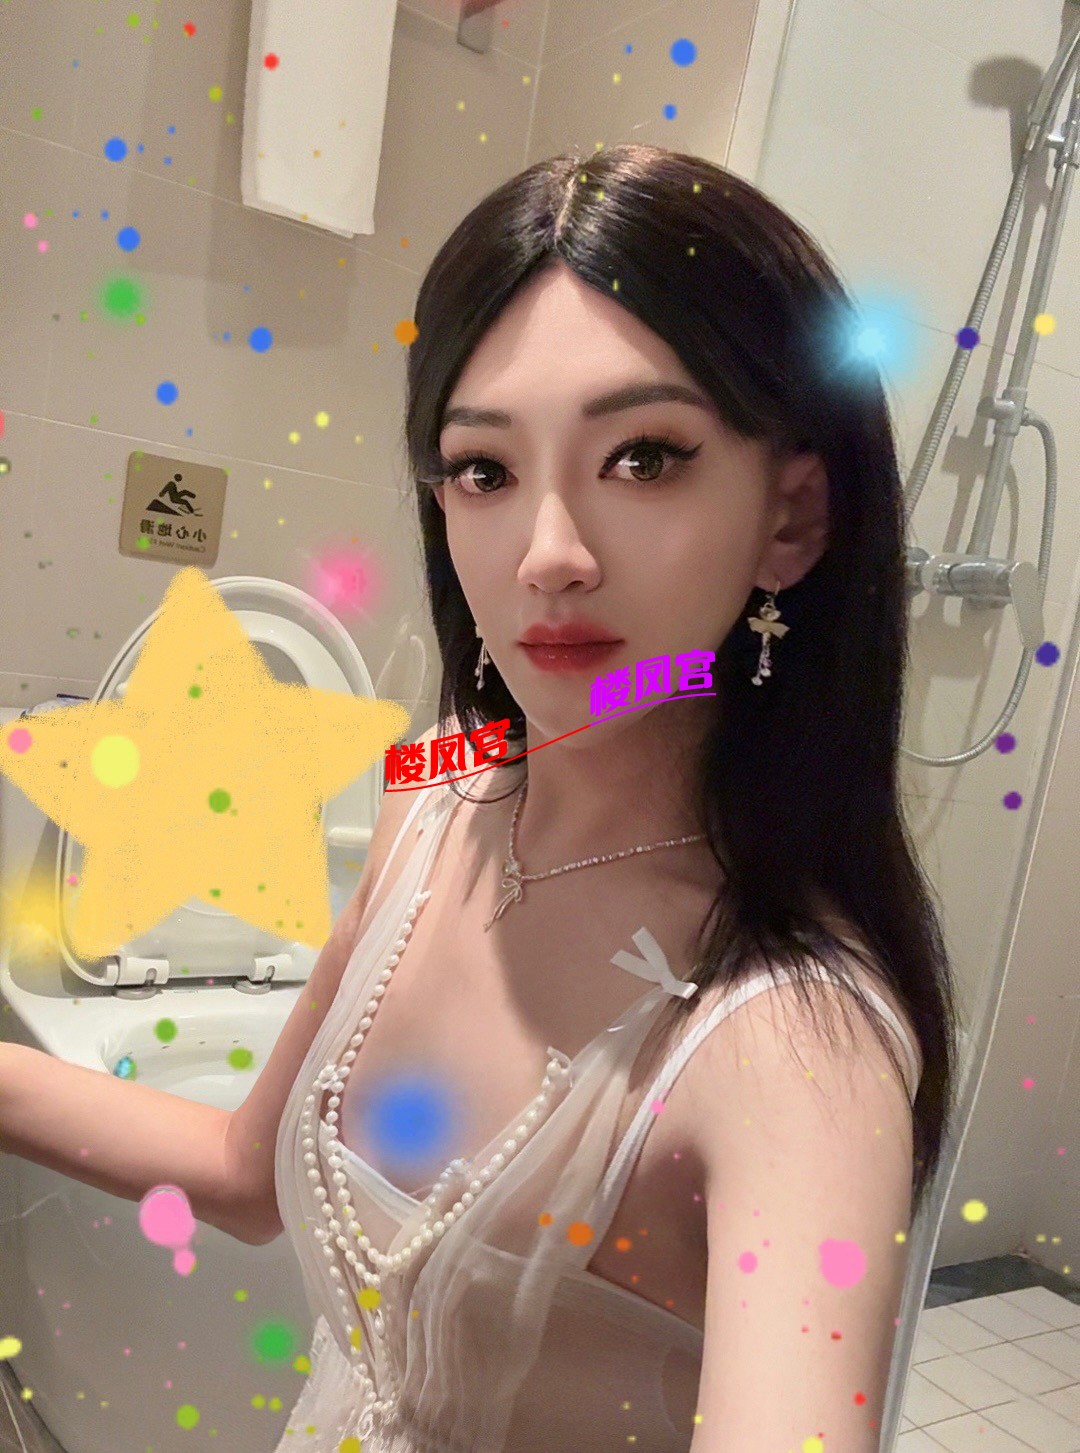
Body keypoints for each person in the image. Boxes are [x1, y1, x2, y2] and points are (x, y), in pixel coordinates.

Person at [0, 144, 960, 1453]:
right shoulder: (435, 795)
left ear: (790, 518)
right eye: (484, 470)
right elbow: (240, 1172)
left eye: (646, 457)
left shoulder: (797, 1050)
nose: (549, 555)